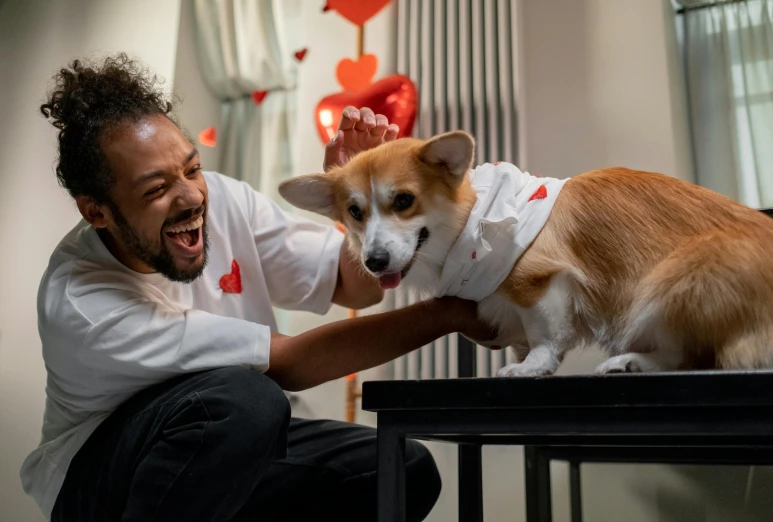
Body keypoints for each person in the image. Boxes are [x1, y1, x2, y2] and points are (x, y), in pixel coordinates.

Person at [20, 53, 496, 522]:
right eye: (155, 189)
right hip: (100, 480)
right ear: (96, 212)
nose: (190, 197)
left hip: (225, 444)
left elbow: (357, 288)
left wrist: (356, 206)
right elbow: (286, 365)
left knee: (401, 470)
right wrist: (447, 312)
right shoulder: (81, 301)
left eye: (192, 168)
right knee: (247, 399)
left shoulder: (223, 199)